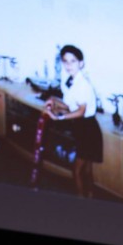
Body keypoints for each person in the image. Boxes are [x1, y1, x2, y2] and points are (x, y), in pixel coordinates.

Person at [43, 44, 102, 198]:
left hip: (87, 129)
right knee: (87, 168)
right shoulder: (70, 80)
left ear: (81, 63)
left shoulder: (82, 84)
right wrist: (54, 101)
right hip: (83, 128)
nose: (68, 65)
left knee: (76, 170)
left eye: (73, 61)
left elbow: (81, 112)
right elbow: (70, 106)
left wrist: (59, 116)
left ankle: (80, 202)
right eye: (65, 61)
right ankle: (89, 197)